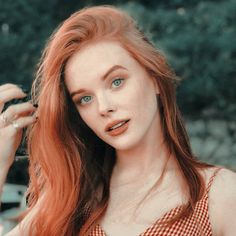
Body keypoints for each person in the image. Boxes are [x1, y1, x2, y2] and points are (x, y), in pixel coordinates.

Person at [0, 5, 236, 236]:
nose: (104, 108)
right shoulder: (68, 203)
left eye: (116, 82)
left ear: (153, 77)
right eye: (85, 98)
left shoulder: (219, 195)